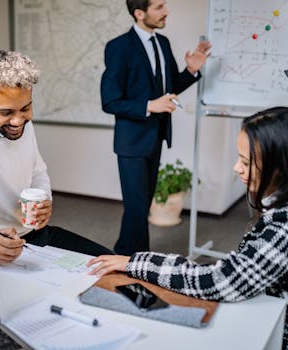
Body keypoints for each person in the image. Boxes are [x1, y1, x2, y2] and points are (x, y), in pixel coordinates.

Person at [88, 107, 288, 349]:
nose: (236, 168)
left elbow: (221, 281)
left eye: (247, 162)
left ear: (281, 168)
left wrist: (136, 262)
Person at [0, 50, 113, 264]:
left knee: (112, 262)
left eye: (26, 108)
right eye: (6, 112)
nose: (18, 121)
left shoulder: (21, 126)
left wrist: (44, 199)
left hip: (35, 235)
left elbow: (38, 172)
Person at [100, 0, 211, 255]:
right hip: (131, 142)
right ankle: (140, 268)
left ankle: (123, 252)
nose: (166, 12)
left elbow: (170, 88)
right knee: (138, 208)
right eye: (159, 7)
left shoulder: (163, 43)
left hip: (156, 137)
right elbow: (110, 101)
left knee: (140, 205)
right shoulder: (119, 47)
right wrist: (150, 105)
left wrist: (191, 70)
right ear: (140, 13)